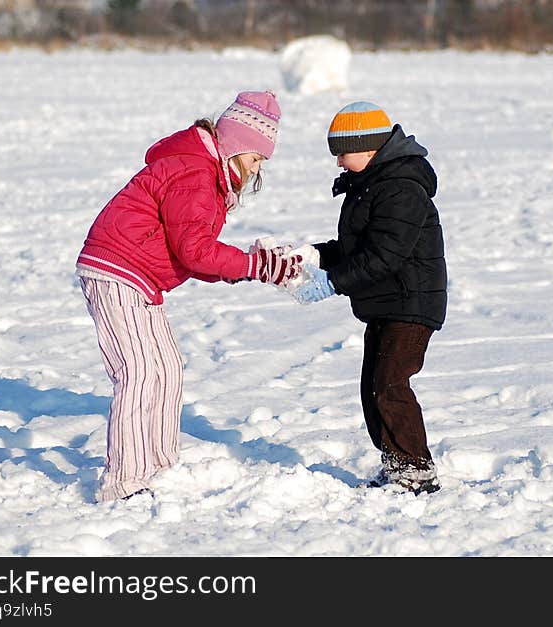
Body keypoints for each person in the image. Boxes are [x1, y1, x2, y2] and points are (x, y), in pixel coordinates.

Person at [76, 90, 300, 503]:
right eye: (255, 159)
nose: (255, 171)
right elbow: (195, 250)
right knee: (140, 373)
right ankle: (123, 483)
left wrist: (250, 269)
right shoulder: (196, 175)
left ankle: (158, 466)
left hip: (139, 278)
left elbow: (194, 254)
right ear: (236, 145)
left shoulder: (206, 176)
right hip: (116, 270)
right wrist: (255, 266)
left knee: (167, 370)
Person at [295, 101, 447, 495]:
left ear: (367, 148)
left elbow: (385, 255)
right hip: (386, 303)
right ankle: (396, 463)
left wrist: (331, 283)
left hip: (410, 303)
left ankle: (415, 471)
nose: (339, 163)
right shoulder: (371, 184)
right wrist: (313, 255)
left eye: (342, 153)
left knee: (390, 385)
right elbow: (358, 247)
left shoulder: (401, 189)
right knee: (373, 388)